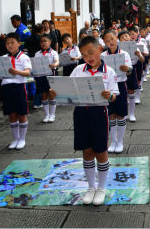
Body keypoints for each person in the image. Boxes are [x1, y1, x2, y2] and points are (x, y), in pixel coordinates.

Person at [49, 36, 117, 205]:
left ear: (100, 50)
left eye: (91, 52)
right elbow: (68, 89)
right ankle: (91, 187)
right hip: (80, 114)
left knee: (100, 151)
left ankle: (101, 187)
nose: (88, 57)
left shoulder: (109, 72)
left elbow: (115, 96)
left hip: (99, 114)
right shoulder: (78, 70)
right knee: (86, 152)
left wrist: (111, 96)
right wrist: (56, 92)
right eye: (84, 55)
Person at [0, 33, 31, 149]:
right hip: (7, 88)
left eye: (12, 42)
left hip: (19, 87)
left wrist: (17, 72)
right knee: (11, 114)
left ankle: (22, 139)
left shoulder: (24, 57)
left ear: (19, 43)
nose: (9, 45)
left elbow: (27, 73)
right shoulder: (3, 58)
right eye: (7, 43)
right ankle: (15, 139)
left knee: (21, 114)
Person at [102, 29, 133, 153]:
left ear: (116, 38)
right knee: (111, 114)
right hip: (108, 87)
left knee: (121, 114)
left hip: (120, 85)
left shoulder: (124, 54)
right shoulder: (103, 56)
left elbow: (129, 71)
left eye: (112, 39)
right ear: (104, 42)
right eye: (107, 41)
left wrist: (127, 69)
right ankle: (113, 141)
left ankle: (120, 141)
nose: (110, 42)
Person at [118, 29, 144, 122]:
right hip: (120, 71)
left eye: (126, 35)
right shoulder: (118, 48)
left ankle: (132, 114)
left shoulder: (135, 46)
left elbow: (141, 60)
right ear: (119, 40)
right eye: (122, 37)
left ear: (130, 37)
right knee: (122, 93)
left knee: (131, 92)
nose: (125, 38)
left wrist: (138, 55)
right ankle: (124, 113)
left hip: (131, 69)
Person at [35, 35, 59, 123]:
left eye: (45, 41)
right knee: (44, 96)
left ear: (50, 42)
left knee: (51, 95)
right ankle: (46, 115)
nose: (43, 43)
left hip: (50, 76)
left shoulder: (53, 53)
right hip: (40, 76)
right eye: (41, 41)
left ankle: (52, 114)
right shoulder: (37, 54)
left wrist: (54, 65)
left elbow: (57, 62)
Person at [24, 24, 44, 109]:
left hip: (31, 61)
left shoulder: (28, 39)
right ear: (42, 30)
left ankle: (31, 99)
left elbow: (25, 52)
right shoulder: (44, 39)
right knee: (41, 82)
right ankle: (38, 101)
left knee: (34, 81)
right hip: (43, 61)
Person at [129, 26, 149, 104]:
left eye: (133, 34)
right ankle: (130, 96)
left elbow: (147, 52)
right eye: (130, 34)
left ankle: (137, 97)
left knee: (139, 80)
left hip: (138, 62)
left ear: (137, 34)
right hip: (129, 64)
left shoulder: (141, 42)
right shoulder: (125, 44)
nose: (132, 36)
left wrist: (143, 53)